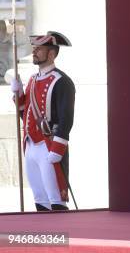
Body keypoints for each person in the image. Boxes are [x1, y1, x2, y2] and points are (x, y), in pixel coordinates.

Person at [10, 31, 75, 211]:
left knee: (55, 199)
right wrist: (18, 94)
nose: (35, 52)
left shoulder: (62, 81)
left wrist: (58, 148)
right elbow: (25, 112)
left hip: (49, 145)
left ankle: (62, 235)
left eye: (39, 49)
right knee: (40, 199)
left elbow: (66, 118)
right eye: (34, 49)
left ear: (51, 54)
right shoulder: (33, 79)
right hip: (31, 144)